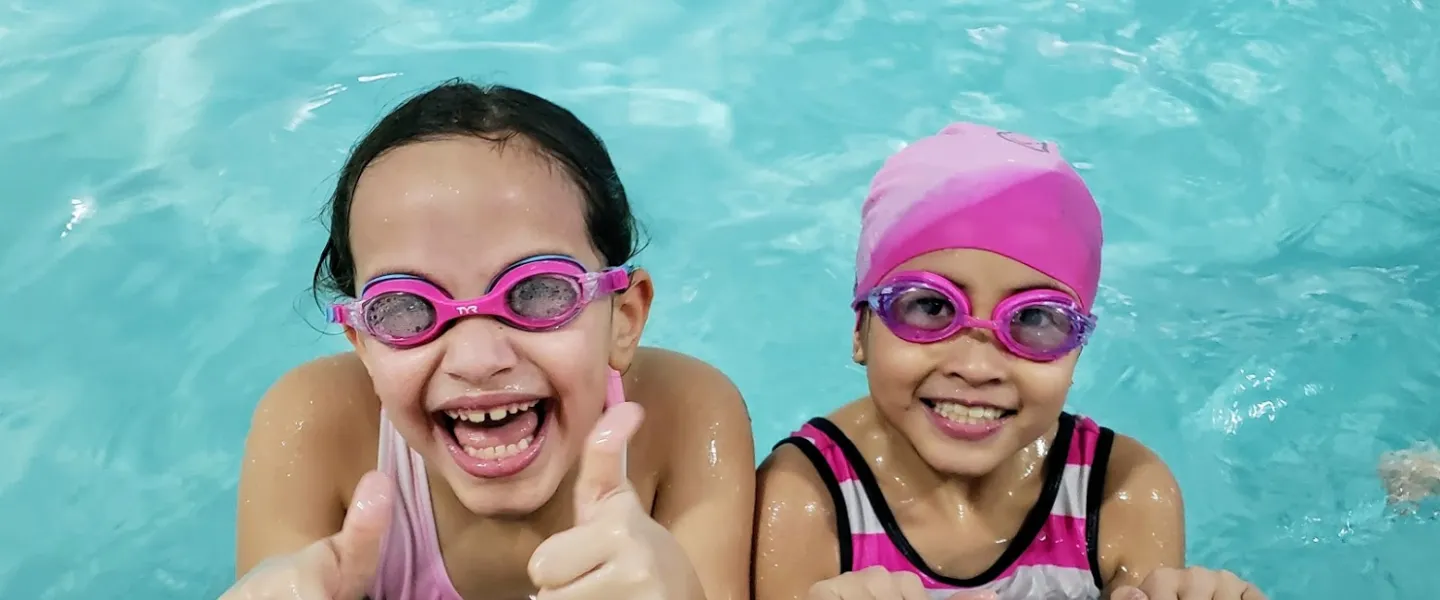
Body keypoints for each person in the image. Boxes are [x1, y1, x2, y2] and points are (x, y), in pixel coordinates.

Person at [221, 80, 755, 600]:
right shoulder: (315, 429)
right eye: (405, 308)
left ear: (625, 318)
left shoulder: (684, 417)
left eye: (541, 291)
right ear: (363, 343)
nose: (478, 360)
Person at [751, 123, 1267, 600]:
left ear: (1078, 346)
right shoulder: (803, 501)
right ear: (862, 327)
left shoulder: (1120, 494)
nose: (977, 368)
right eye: (930, 307)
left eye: (1035, 319)